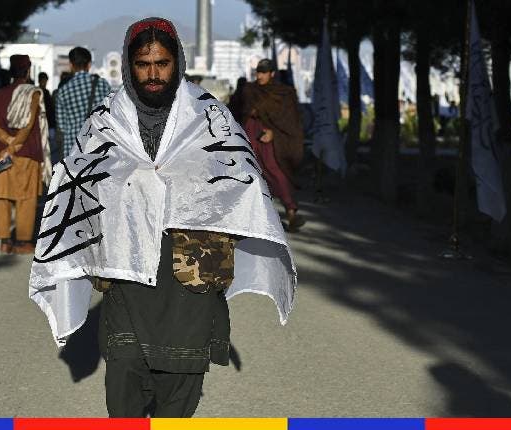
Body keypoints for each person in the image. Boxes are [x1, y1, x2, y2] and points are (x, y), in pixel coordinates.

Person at [29, 18, 297, 418]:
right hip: (126, 286)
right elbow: (77, 182)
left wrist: (197, 197)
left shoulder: (211, 120)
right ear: (128, 66)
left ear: (178, 63)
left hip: (191, 288)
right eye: (142, 64)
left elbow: (245, 180)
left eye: (162, 63)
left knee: (176, 413)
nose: (153, 74)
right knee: (123, 404)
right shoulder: (105, 123)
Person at [0, 55, 51, 254]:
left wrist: (6, 142)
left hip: (2, 155)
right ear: (28, 70)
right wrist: (15, 145)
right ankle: (23, 243)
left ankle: (5, 242)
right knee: (26, 198)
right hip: (25, 154)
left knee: (3, 198)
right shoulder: (33, 94)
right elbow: (29, 123)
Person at [242, 58, 306, 231]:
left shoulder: (282, 93)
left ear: (272, 74)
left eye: (264, 72)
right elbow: (242, 110)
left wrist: (273, 132)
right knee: (249, 170)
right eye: (258, 72)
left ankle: (291, 211)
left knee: (274, 169)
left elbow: (289, 119)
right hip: (250, 133)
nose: (260, 76)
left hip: (269, 136)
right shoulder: (250, 90)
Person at [54, 46, 112, 160]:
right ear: (89, 64)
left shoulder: (62, 92)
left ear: (71, 65)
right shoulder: (102, 85)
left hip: (73, 151)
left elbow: (61, 127)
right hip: (99, 148)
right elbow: (111, 115)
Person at [38, 72, 60, 166]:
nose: (45, 82)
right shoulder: (42, 92)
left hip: (46, 123)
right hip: (47, 123)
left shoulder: (40, 92)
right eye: (44, 81)